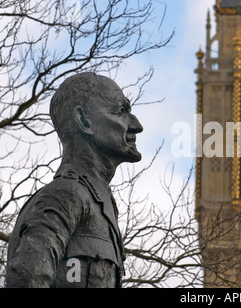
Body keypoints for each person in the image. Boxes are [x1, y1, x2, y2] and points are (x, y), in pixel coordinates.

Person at [5, 72, 144, 288]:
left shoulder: (101, 203)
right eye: (122, 111)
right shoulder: (65, 195)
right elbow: (26, 281)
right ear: (84, 120)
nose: (136, 125)